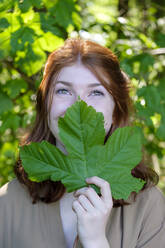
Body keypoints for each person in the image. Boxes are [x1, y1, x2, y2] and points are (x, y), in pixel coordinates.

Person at [0, 38, 165, 248]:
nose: (78, 106)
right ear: (45, 104)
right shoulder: (7, 203)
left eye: (96, 92)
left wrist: (95, 241)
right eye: (63, 91)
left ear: (116, 110)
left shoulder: (148, 207)